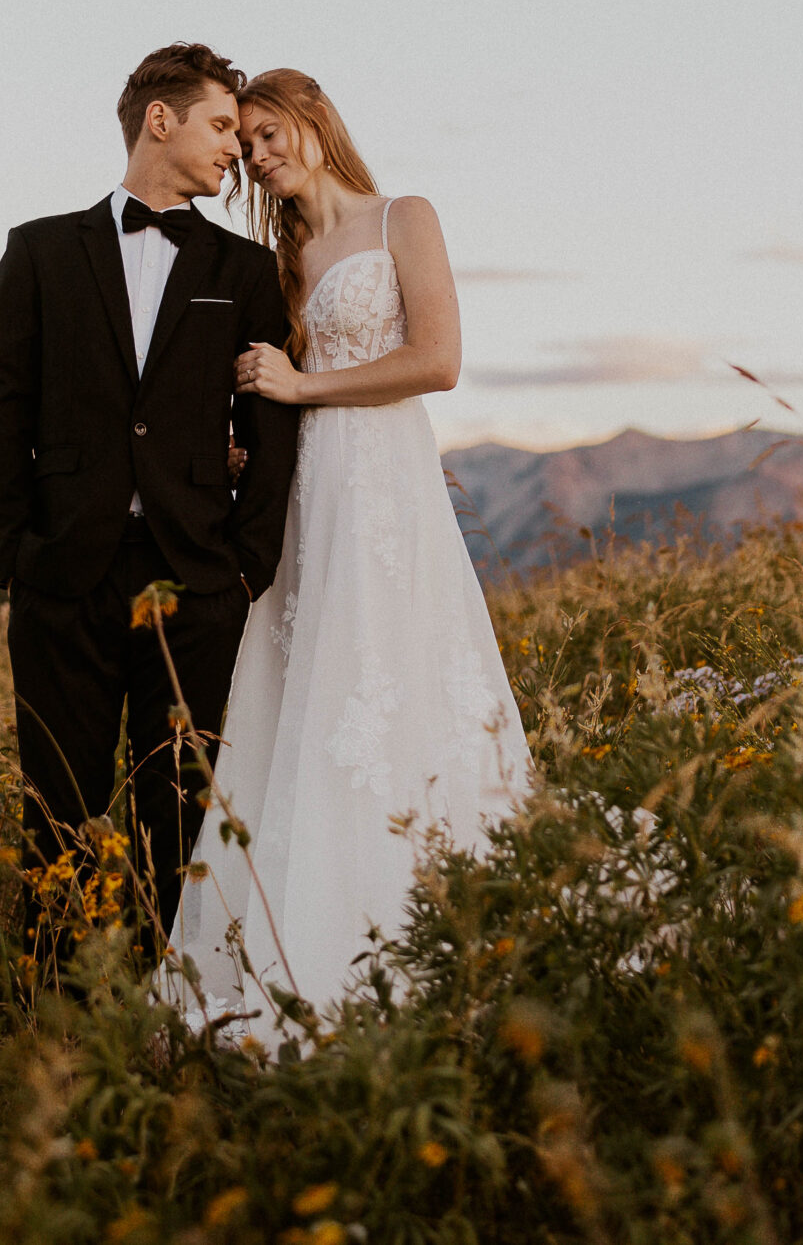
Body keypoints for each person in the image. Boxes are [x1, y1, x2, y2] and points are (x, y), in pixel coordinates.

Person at [166, 67, 532, 1021]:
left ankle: (426, 897)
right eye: (243, 145)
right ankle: (303, 913)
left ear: (312, 120)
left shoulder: (401, 217)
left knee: (395, 670)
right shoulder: (278, 258)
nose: (256, 154)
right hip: (304, 494)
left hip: (386, 487)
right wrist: (255, 419)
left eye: (267, 132)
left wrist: (300, 387)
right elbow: (269, 380)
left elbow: (436, 362)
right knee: (301, 687)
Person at [0, 43, 302, 941]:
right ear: (161, 120)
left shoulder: (245, 271)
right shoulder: (38, 251)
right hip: (61, 576)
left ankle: (170, 1002)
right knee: (56, 803)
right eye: (223, 125)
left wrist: (246, 564)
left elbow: (269, 428)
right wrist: (12, 552)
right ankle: (49, 998)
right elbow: (1, 408)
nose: (238, 149)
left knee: (181, 810)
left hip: (195, 576)